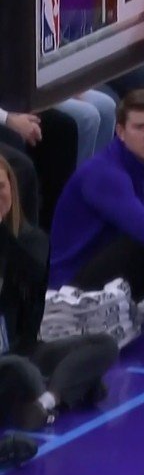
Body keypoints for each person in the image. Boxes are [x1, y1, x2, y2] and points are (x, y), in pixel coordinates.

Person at [0, 155, 118, 431]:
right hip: (9, 364)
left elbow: (30, 318)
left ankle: (46, 400)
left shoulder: (32, 242)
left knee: (104, 344)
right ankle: (68, 388)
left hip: (23, 348)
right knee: (22, 372)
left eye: (1, 187)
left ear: (12, 189)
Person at [49, 89, 144, 302]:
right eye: (140, 127)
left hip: (118, 264)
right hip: (72, 284)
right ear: (120, 131)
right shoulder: (104, 173)